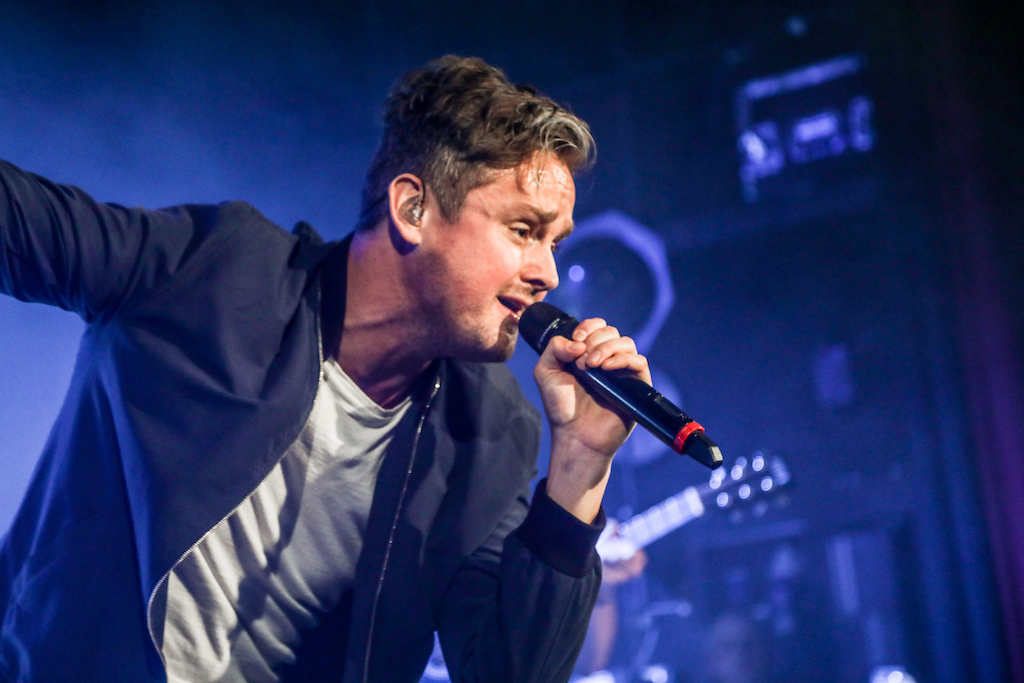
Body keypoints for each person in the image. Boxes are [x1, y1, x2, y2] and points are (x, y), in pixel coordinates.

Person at [0, 55, 652, 683]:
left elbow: (506, 673)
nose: (548, 273)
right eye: (524, 230)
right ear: (413, 209)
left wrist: (580, 466)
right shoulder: (212, 271)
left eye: (554, 242)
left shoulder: (492, 432)